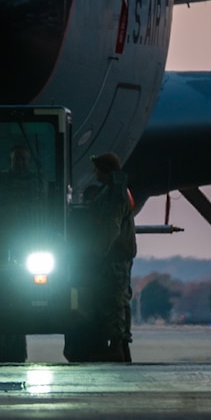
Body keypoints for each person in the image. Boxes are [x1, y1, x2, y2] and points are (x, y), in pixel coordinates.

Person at [87, 152, 137, 360]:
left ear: (105, 171)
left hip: (113, 256)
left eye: (97, 168)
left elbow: (112, 227)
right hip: (116, 255)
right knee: (118, 298)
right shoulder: (115, 190)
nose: (94, 172)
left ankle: (117, 346)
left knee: (115, 299)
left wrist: (98, 252)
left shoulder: (114, 195)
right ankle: (121, 345)